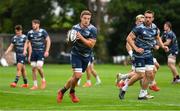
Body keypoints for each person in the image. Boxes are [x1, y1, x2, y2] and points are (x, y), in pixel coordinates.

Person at [119, 10, 169, 100]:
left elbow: (157, 38)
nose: (147, 19)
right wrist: (136, 49)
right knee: (141, 75)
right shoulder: (139, 28)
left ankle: (142, 94)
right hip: (139, 55)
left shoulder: (154, 28)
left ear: (153, 18)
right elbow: (129, 38)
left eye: (149, 17)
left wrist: (163, 46)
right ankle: (124, 88)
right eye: (146, 17)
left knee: (149, 74)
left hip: (149, 54)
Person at [57, 10, 97, 103]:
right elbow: (70, 41)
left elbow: (91, 45)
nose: (87, 20)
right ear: (81, 18)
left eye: (88, 19)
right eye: (85, 18)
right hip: (76, 54)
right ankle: (72, 92)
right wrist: (69, 38)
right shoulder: (75, 28)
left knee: (75, 77)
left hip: (86, 56)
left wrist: (81, 37)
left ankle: (62, 91)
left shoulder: (93, 29)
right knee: (78, 75)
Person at [23, 19, 51, 90]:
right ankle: (35, 85)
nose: (33, 25)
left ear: (38, 25)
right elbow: (27, 42)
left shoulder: (43, 31)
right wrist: (25, 50)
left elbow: (48, 40)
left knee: (39, 67)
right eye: (32, 24)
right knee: (33, 68)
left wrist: (47, 51)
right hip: (33, 53)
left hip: (41, 52)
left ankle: (43, 80)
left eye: (35, 24)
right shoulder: (30, 33)